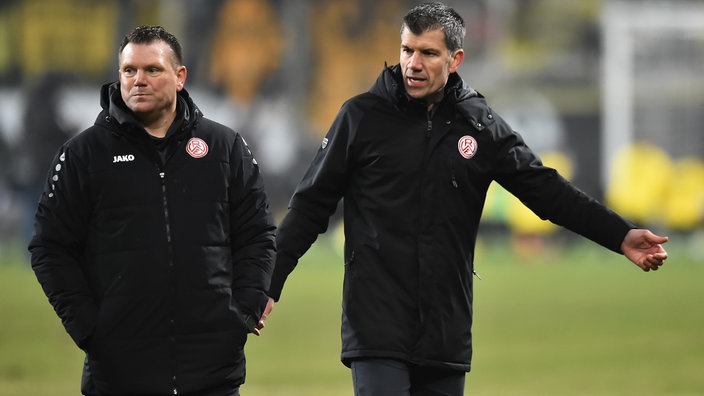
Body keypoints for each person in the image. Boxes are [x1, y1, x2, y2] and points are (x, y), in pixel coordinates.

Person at [263, 3, 668, 396]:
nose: (413, 63)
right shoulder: (361, 117)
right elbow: (310, 205)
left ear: (455, 59)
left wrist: (620, 235)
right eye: (407, 50)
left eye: (428, 53)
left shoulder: (480, 125)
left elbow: (548, 193)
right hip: (376, 326)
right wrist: (268, 281)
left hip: (445, 329)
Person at [29, 26, 275, 396]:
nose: (138, 80)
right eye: (129, 71)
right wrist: (89, 328)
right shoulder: (84, 154)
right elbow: (49, 247)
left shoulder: (223, 147)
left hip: (212, 371)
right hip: (119, 372)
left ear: (179, 77)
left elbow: (257, 233)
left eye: (152, 70)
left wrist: (242, 311)